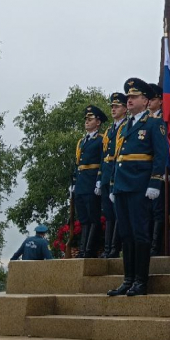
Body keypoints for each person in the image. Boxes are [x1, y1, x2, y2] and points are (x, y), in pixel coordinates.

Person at [107, 78, 168, 297]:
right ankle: (128, 279)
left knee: (141, 234)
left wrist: (155, 181)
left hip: (140, 186)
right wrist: (113, 185)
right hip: (122, 186)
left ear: (146, 100)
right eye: (128, 97)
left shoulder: (154, 124)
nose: (129, 100)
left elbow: (161, 155)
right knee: (126, 234)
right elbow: (118, 158)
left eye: (134, 97)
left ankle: (141, 281)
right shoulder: (124, 126)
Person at [72, 105, 107, 258]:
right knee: (83, 218)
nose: (87, 121)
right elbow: (77, 164)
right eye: (86, 119)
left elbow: (102, 161)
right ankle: (82, 249)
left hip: (92, 182)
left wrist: (99, 180)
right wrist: (73, 182)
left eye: (90, 119)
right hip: (81, 183)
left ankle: (90, 249)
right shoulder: (81, 142)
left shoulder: (101, 140)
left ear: (98, 122)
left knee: (93, 217)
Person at [95, 92, 127, 258]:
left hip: (118, 173)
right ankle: (107, 249)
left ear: (125, 109)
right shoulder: (108, 131)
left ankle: (115, 249)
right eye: (112, 107)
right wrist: (100, 179)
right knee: (108, 214)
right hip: (107, 174)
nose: (113, 109)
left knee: (117, 213)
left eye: (117, 106)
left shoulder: (126, 127)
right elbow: (103, 156)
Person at [147, 83, 167, 255]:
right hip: (143, 171)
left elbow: (165, 149)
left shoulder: (166, 119)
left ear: (160, 101)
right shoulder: (143, 120)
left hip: (158, 172)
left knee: (158, 211)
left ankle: (155, 247)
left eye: (152, 99)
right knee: (145, 211)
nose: (149, 103)